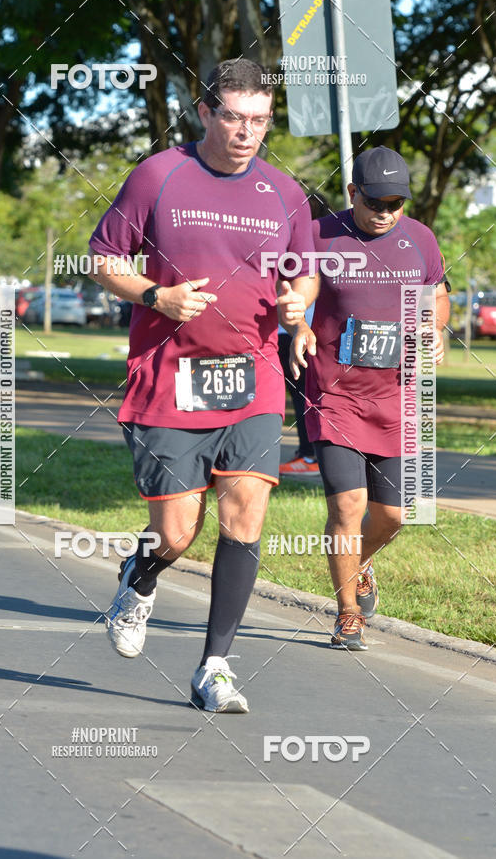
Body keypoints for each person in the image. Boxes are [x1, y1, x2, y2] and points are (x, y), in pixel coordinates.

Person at [87, 59, 316, 711]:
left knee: (245, 514)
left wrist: (297, 307)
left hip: (254, 377)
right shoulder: (160, 175)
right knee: (179, 533)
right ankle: (143, 572)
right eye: (235, 118)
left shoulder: (285, 192)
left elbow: (303, 273)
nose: (248, 132)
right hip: (169, 377)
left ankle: (215, 666)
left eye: (261, 120)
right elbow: (104, 258)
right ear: (205, 112)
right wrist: (156, 295)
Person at [290, 147, 450, 650]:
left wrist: (435, 326)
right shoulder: (319, 234)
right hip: (335, 395)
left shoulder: (420, 238)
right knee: (347, 506)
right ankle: (347, 612)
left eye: (396, 202)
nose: (385, 212)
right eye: (375, 201)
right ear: (352, 192)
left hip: (400, 396)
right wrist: (297, 323)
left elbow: (438, 294)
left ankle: (359, 562)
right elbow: (298, 289)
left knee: (396, 515)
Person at [278, 193, 331, 477]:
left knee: (302, 396)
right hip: (309, 330)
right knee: (307, 394)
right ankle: (310, 452)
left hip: (293, 330)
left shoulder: (297, 243)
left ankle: (310, 455)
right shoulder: (326, 242)